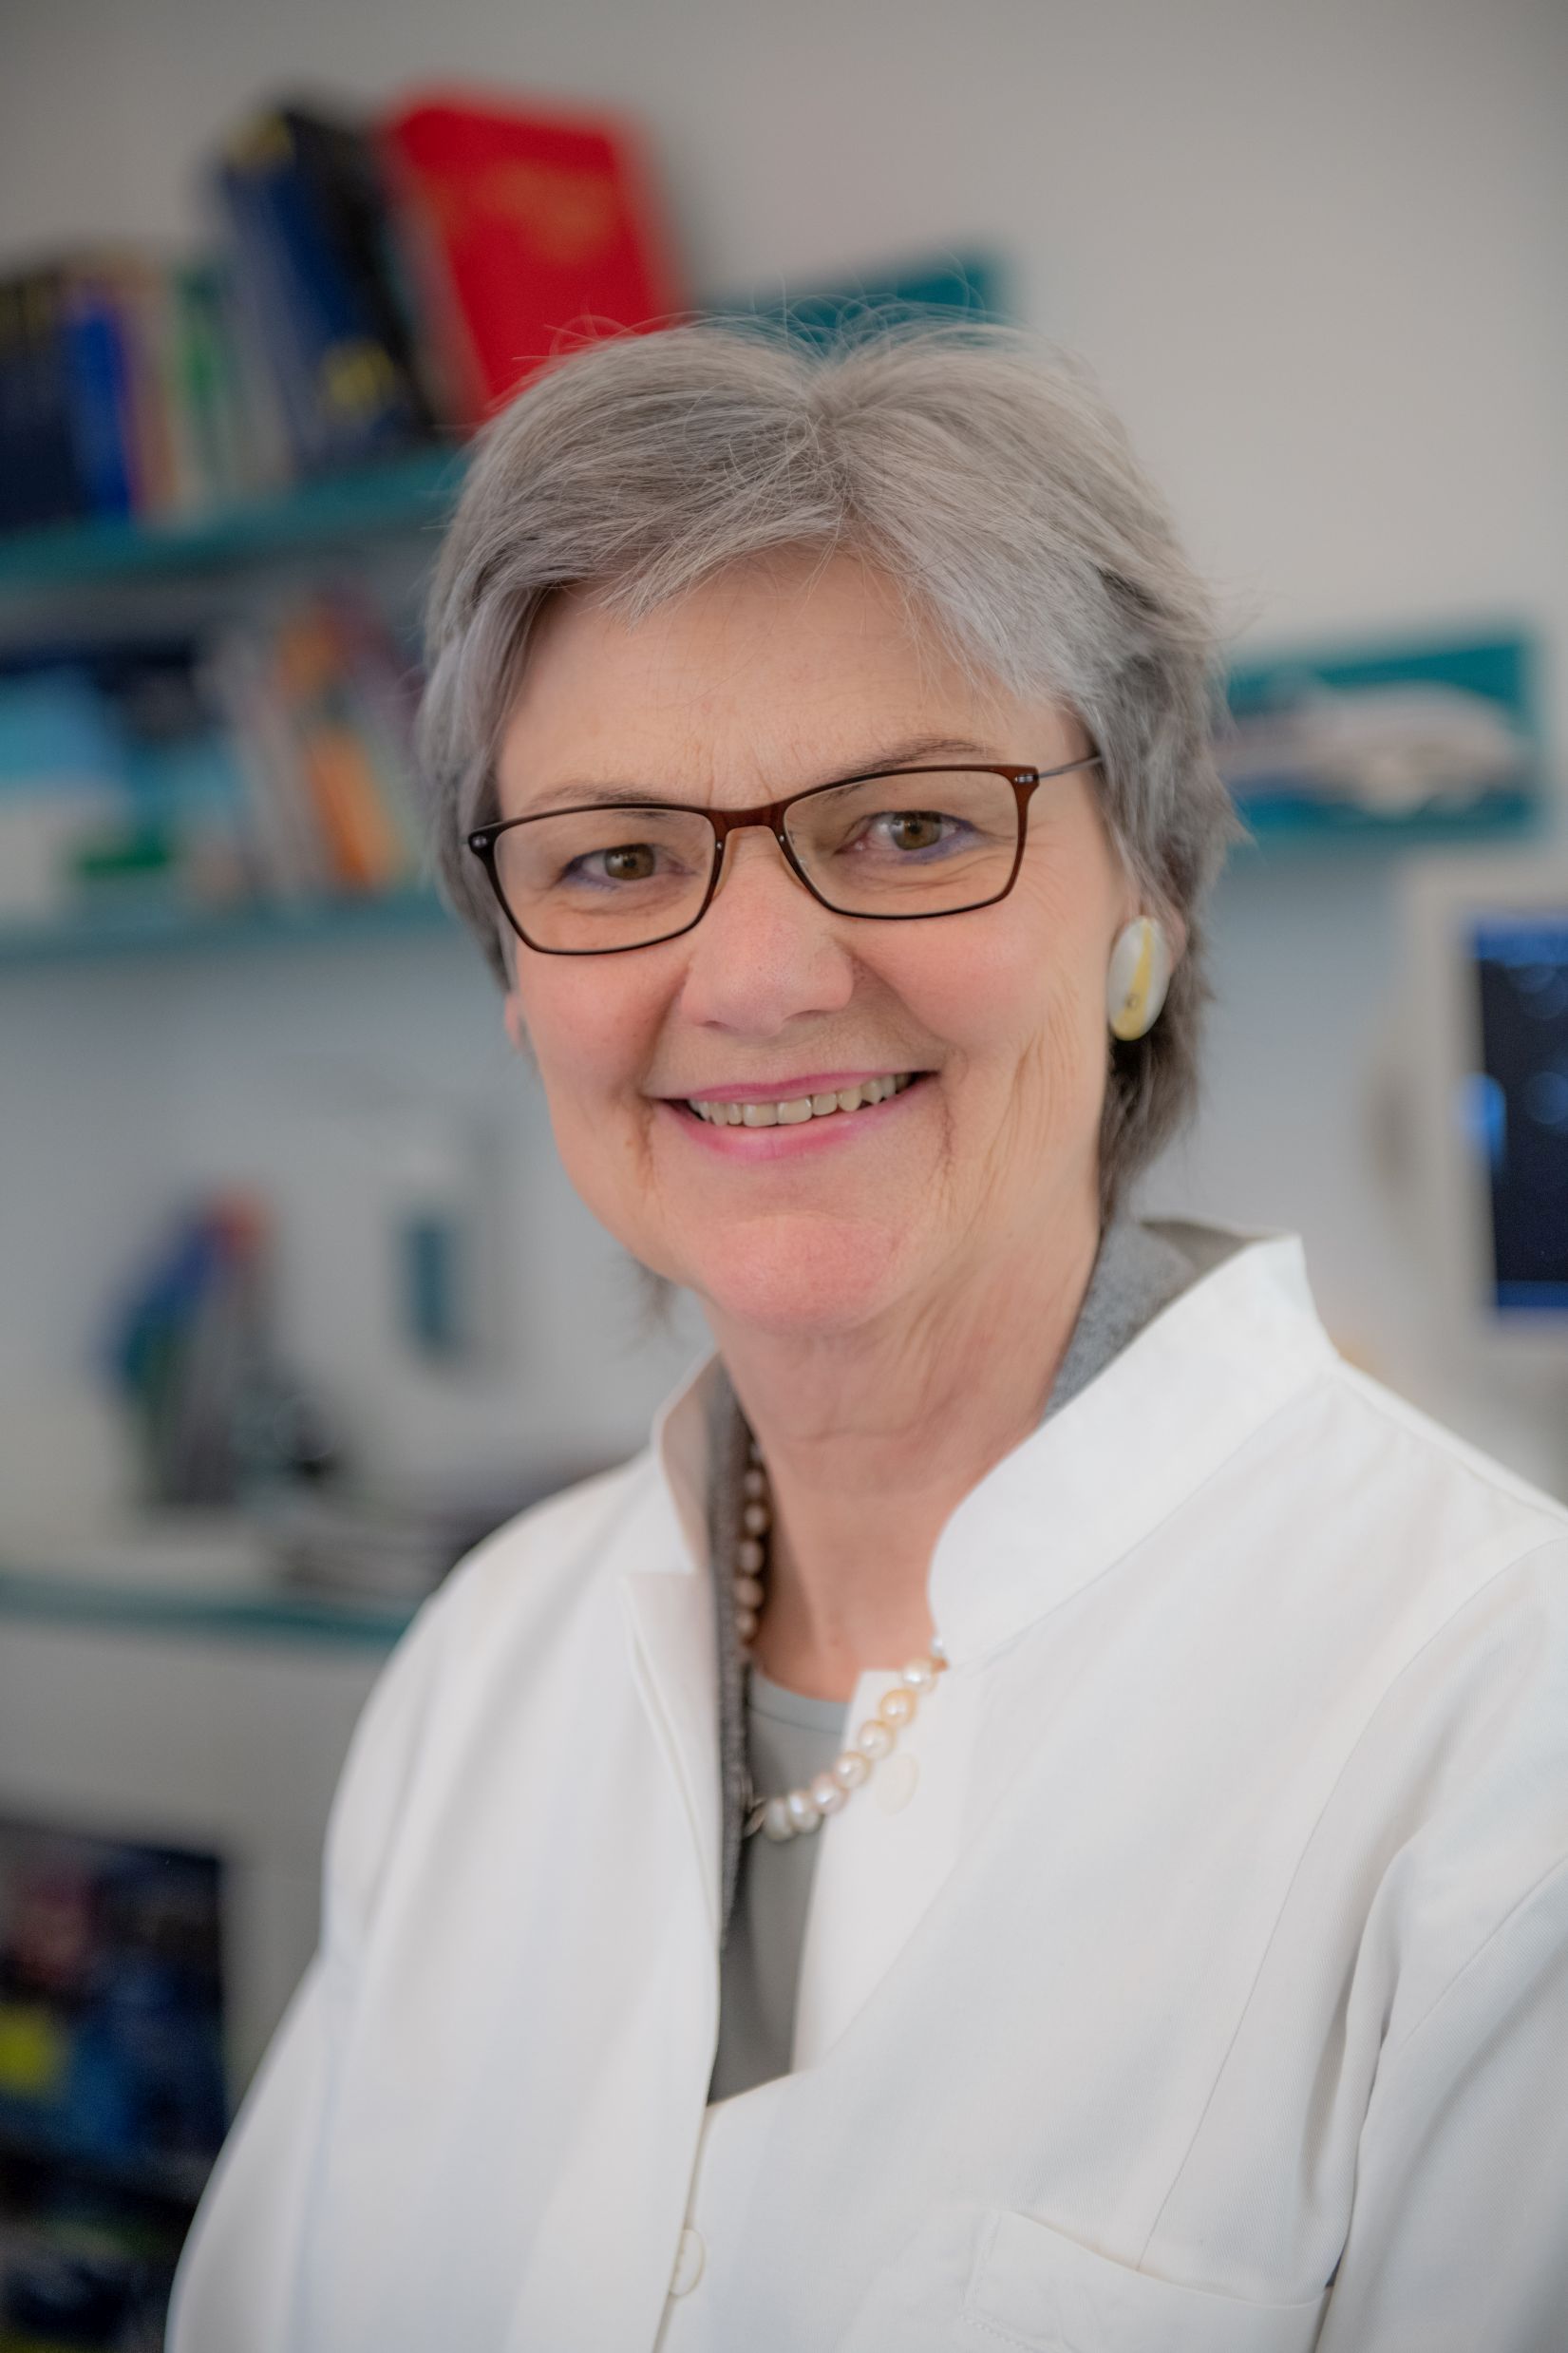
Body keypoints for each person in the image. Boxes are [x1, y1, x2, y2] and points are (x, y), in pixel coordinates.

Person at [168, 323, 1568, 2353]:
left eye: (910, 825)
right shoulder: (485, 1667)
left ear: (1147, 906)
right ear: (518, 986)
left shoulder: (1500, 1724)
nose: (758, 976)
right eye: (617, 859)